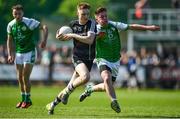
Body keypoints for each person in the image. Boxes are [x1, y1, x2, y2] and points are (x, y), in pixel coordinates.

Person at [79, 7, 160, 113]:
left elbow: (132, 26)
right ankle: (114, 101)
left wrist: (148, 27)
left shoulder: (114, 25)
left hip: (115, 61)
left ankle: (90, 89)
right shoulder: (95, 29)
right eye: (101, 17)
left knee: (107, 86)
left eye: (105, 16)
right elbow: (88, 39)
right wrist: (96, 37)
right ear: (97, 19)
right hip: (102, 59)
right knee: (106, 78)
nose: (104, 18)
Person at [46, 2, 96, 114]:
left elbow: (90, 40)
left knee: (69, 86)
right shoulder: (72, 24)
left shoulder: (91, 23)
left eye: (88, 14)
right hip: (77, 57)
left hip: (89, 59)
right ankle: (67, 93)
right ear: (77, 12)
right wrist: (59, 35)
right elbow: (61, 33)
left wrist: (73, 35)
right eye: (83, 14)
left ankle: (52, 104)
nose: (86, 16)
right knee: (86, 77)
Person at [7, 4, 48, 108]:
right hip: (18, 53)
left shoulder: (29, 22)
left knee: (25, 77)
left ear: (22, 13)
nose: (17, 16)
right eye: (15, 13)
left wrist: (44, 40)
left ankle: (28, 100)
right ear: (13, 14)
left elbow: (44, 27)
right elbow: (9, 40)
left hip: (30, 51)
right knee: (19, 78)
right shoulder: (11, 25)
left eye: (19, 13)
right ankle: (23, 99)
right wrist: (9, 54)